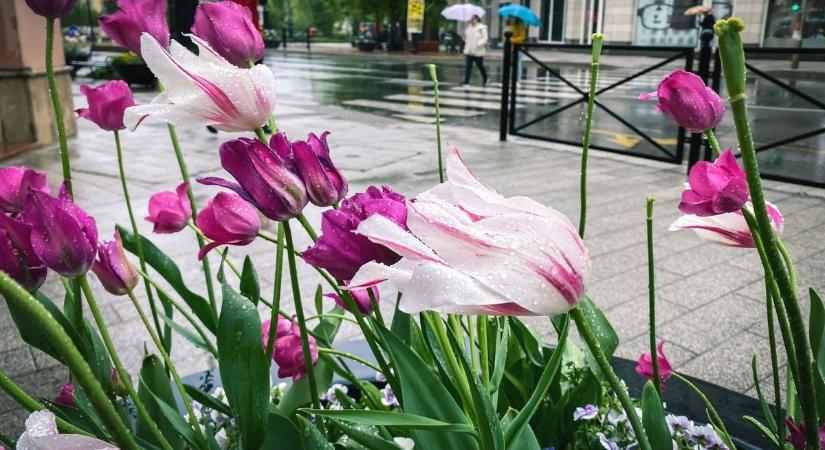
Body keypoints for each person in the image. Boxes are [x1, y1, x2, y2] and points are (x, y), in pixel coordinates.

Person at [461, 15, 488, 86]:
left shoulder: (482, 28)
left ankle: (485, 78)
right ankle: (466, 81)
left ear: (476, 19)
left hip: (478, 51)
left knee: (480, 66)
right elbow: (466, 37)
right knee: (468, 66)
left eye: (471, 18)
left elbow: (485, 39)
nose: (470, 19)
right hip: (469, 51)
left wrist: (478, 44)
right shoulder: (469, 27)